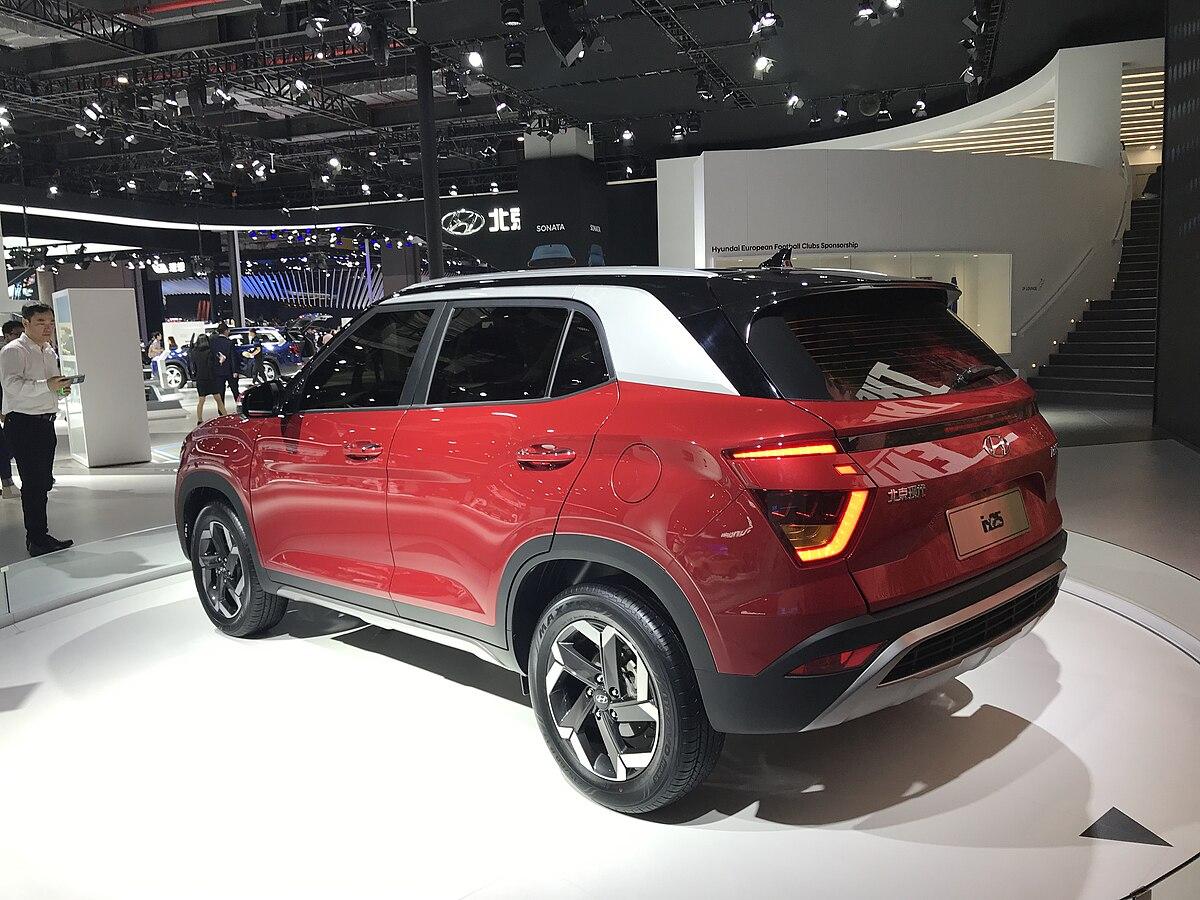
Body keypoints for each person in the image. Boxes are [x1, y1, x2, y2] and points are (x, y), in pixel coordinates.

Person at [0, 303, 74, 557]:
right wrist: (48, 385)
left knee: (42, 483)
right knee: (33, 484)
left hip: (45, 422)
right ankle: (36, 538)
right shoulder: (14, 350)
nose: (47, 327)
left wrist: (61, 390)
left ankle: (40, 535)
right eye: (41, 322)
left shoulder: (48, 350)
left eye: (50, 322)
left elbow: (51, 386)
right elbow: (11, 386)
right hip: (23, 424)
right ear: (26, 323)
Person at [0, 319, 25, 500]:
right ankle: (7, 483)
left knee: (6, 445)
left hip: (14, 407)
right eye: (16, 334)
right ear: (7, 335)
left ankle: (7, 483)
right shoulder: (6, 353)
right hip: (7, 407)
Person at [190, 333, 226, 425]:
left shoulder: (194, 352)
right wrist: (221, 361)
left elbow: (193, 365)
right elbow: (212, 365)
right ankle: (226, 417)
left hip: (200, 379)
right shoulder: (210, 352)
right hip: (211, 378)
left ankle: (199, 419)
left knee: (201, 400)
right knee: (218, 399)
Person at [210, 322, 239, 403]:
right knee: (235, 391)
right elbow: (233, 358)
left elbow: (211, 357)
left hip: (217, 371)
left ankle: (221, 409)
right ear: (226, 331)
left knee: (220, 393)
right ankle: (239, 406)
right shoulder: (229, 343)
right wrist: (235, 371)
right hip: (229, 370)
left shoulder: (213, 343)